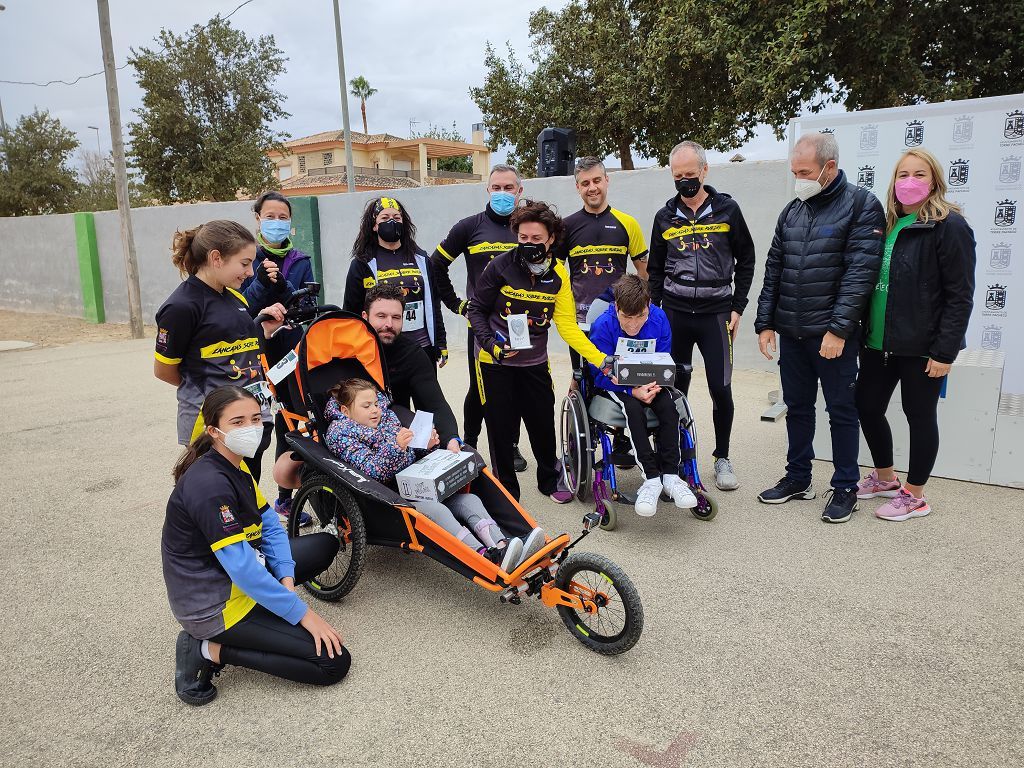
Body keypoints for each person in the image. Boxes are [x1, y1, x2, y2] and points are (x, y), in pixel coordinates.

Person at [163, 386, 350, 706]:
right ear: (214, 431)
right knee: (333, 663)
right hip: (215, 604)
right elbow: (242, 570)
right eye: (237, 422)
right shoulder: (208, 485)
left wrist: (287, 582)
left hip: (242, 573)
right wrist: (302, 613)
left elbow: (271, 530)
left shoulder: (236, 465)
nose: (250, 428)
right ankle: (206, 649)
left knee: (323, 546)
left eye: (254, 418)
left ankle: (270, 602)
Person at [754, 131, 884, 523]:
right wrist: (765, 323)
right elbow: (774, 268)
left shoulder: (862, 205)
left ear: (829, 167)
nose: (799, 179)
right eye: (795, 172)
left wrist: (839, 330)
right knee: (797, 408)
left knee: (842, 410)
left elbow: (860, 273)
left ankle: (845, 486)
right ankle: (798, 478)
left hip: (831, 336)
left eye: (805, 171)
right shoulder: (793, 210)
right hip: (791, 332)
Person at [855, 148, 975, 521]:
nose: (910, 181)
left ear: (935, 180)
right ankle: (887, 478)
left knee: (919, 416)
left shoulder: (949, 226)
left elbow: (960, 295)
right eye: (903, 174)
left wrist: (945, 351)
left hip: (923, 346)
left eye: (919, 174)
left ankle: (916, 494)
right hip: (878, 342)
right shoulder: (887, 224)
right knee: (867, 407)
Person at [467, 200, 614, 502]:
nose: (529, 244)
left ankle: (549, 479)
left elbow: (568, 326)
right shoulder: (500, 266)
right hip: (494, 362)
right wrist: (492, 346)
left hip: (534, 362)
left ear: (551, 239)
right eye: (523, 238)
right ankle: (507, 492)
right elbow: (477, 309)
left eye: (536, 239)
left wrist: (601, 360)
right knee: (500, 429)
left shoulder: (559, 274)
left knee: (542, 424)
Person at [323, 378, 545, 571]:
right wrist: (396, 446)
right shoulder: (341, 434)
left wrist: (425, 444)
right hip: (389, 495)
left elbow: (410, 451)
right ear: (345, 411)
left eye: (375, 404)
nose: (375, 410)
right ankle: (482, 554)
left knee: (470, 499)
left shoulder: (386, 419)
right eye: (366, 406)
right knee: (437, 510)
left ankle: (503, 545)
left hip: (417, 481)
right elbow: (371, 471)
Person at [647, 140, 755, 492]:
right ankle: (675, 457)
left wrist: (737, 307)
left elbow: (747, 260)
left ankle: (722, 457)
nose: (684, 181)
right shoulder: (664, 216)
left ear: (705, 171)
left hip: (716, 314)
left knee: (720, 388)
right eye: (678, 176)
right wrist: (655, 314)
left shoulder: (729, 210)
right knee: (673, 388)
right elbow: (656, 270)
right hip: (676, 314)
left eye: (691, 175)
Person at [154, 220, 287, 483]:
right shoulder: (181, 306)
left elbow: (243, 349)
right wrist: (208, 388)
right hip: (213, 421)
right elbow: (165, 370)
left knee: (248, 493)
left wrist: (266, 330)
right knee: (215, 499)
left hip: (250, 415)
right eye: (245, 263)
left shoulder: (235, 297)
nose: (251, 272)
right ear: (216, 258)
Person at [430, 164, 527, 472]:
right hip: (482, 323)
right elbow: (435, 266)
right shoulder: (470, 227)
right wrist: (457, 305)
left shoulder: (527, 227)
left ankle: (510, 446)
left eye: (508, 188)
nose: (502, 193)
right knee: (479, 387)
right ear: (487, 190)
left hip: (520, 324)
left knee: (516, 387)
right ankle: (469, 440)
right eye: (496, 188)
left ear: (519, 191)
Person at [588, 275, 698, 516]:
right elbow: (598, 374)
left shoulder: (659, 319)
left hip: (651, 382)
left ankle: (671, 476)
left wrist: (653, 386)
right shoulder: (603, 325)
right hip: (617, 386)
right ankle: (651, 477)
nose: (633, 326)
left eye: (640, 316)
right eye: (627, 317)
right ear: (617, 307)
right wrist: (631, 390)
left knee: (669, 406)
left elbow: (662, 360)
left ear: (648, 304)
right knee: (633, 410)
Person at [240, 190, 317, 524]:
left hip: (291, 353)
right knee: (255, 426)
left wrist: (283, 286)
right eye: (269, 216)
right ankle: (248, 507)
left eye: (282, 217)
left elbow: (304, 305)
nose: (276, 223)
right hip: (253, 354)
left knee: (294, 419)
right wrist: (260, 283)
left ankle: (286, 498)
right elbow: (241, 306)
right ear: (257, 219)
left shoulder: (300, 260)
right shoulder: (246, 260)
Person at [342, 197, 448, 364]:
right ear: (374, 225)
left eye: (396, 218)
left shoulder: (421, 258)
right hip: (383, 350)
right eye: (384, 218)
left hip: (422, 348)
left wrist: (440, 340)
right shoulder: (362, 263)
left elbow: (434, 302)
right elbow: (351, 310)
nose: (391, 221)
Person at [556, 156, 649, 344]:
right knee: (580, 374)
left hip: (618, 320)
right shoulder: (566, 226)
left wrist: (634, 309)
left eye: (597, 180)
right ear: (577, 187)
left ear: (607, 180)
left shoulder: (628, 223)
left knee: (618, 372)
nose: (592, 188)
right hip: (579, 322)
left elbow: (643, 272)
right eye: (585, 183)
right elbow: (556, 273)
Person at [361, 284, 461, 453]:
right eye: (381, 316)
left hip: (398, 435)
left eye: (396, 317)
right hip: (354, 436)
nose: (389, 324)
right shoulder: (348, 351)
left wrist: (451, 438)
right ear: (365, 317)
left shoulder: (412, 354)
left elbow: (435, 404)